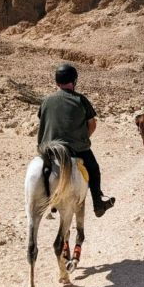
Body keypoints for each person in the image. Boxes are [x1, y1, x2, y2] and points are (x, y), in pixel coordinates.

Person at [37, 63, 115, 217]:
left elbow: (43, 120)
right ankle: (98, 204)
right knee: (94, 169)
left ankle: (46, 200)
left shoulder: (46, 100)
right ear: (74, 80)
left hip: (48, 148)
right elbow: (92, 124)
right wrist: (82, 138)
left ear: (57, 81)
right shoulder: (80, 99)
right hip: (75, 148)